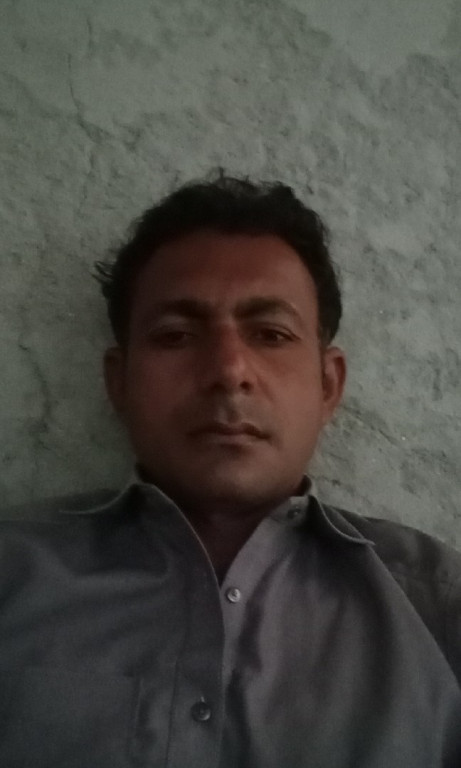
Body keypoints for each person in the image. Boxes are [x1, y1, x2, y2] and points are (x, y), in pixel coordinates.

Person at [0, 171, 460, 768]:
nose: (228, 370)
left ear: (328, 385)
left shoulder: (438, 608)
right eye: (176, 335)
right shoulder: (13, 574)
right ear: (119, 382)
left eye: (271, 334)